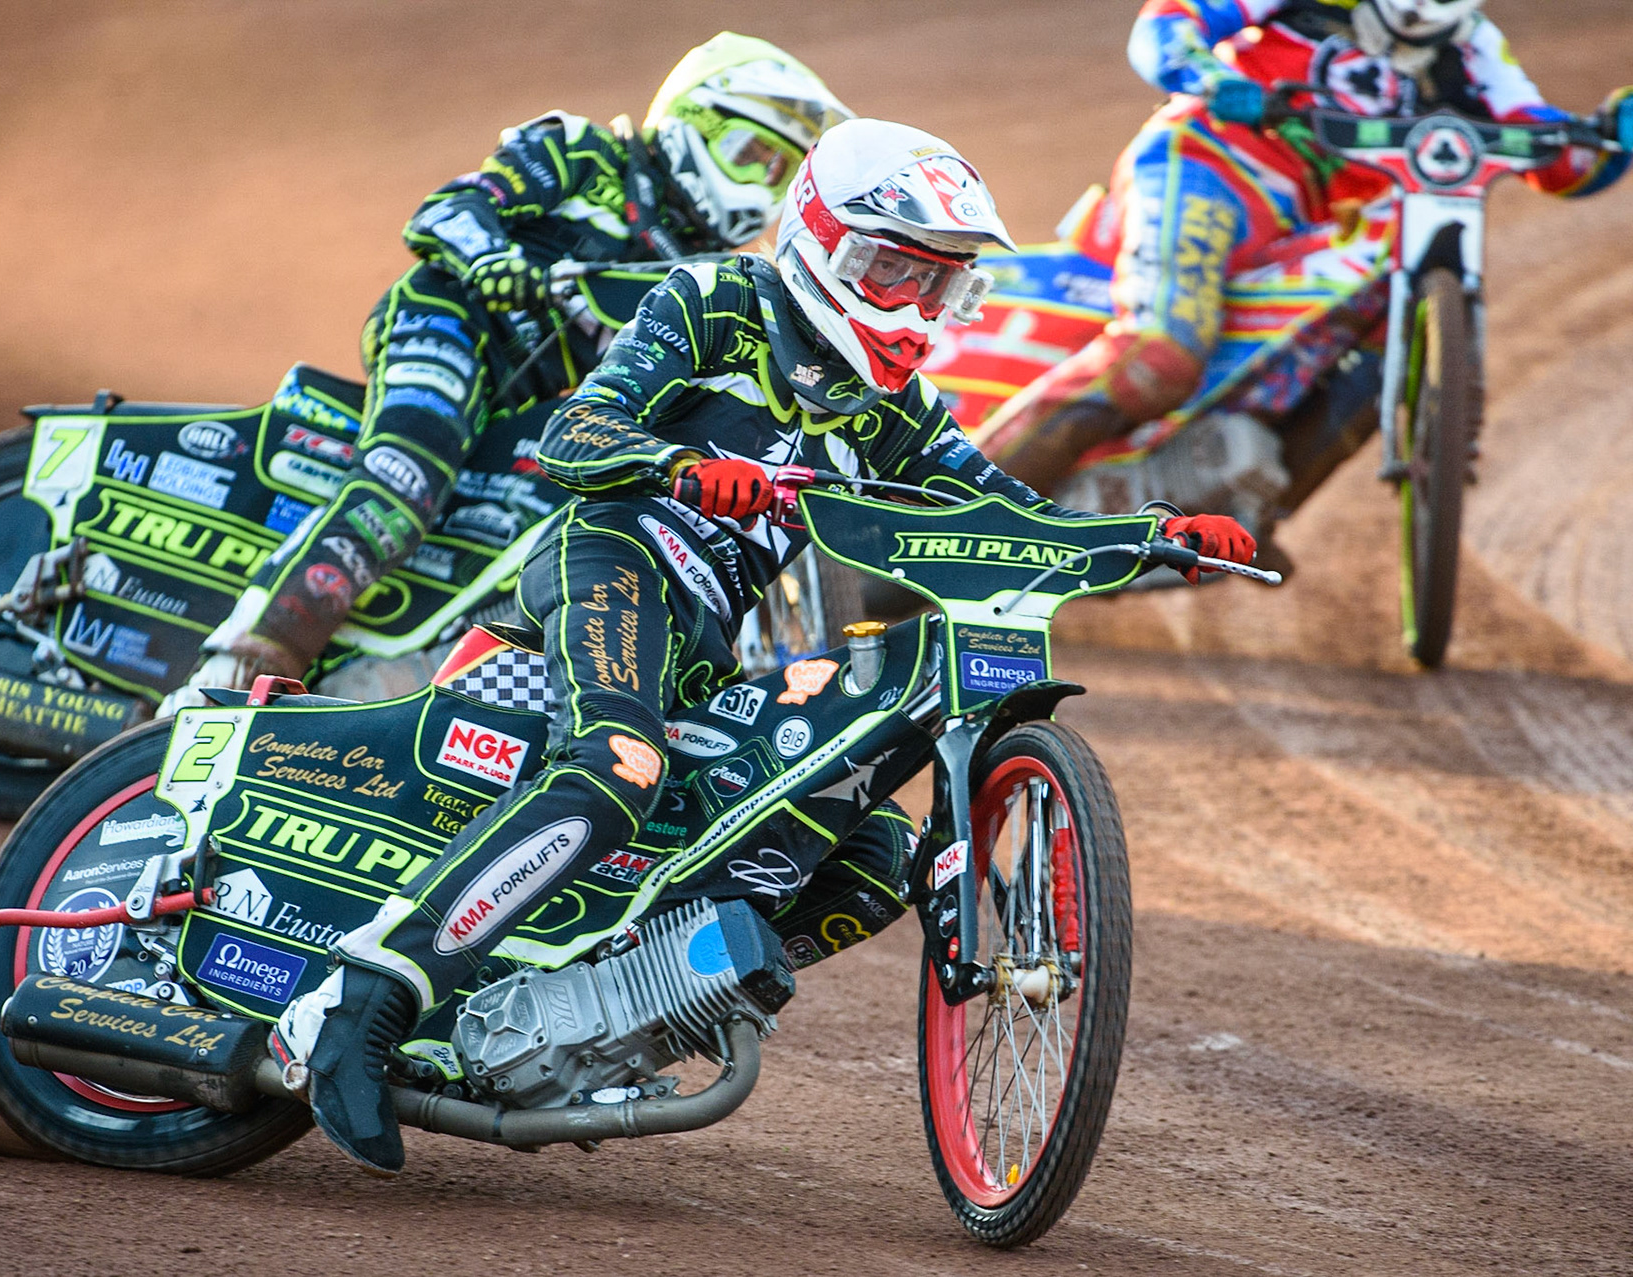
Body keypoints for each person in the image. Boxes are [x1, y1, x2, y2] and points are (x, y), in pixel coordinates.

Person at [266, 118, 1259, 1177]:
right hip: (615, 558)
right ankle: (360, 998)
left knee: (875, 856)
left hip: (704, 643)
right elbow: (575, 434)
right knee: (616, 767)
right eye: (895, 270)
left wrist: (1152, 534)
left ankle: (611, 1001)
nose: (915, 305)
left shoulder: (896, 411)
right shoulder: (716, 301)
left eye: (941, 283)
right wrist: (681, 467)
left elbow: (1011, 514)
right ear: (823, 243)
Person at [158, 33, 853, 714]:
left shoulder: (709, 273)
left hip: (530, 404)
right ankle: (238, 663)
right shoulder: (588, 154)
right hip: (448, 321)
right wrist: (492, 259)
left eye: (777, 172)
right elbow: (447, 209)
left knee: (578, 519)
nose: (758, 184)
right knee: (403, 480)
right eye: (748, 154)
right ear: (686, 120)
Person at [975, 0, 1633, 497]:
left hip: (1308, 231)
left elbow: (1552, 155)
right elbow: (1168, 23)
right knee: (1163, 352)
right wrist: (1210, 74)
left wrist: (1612, 136)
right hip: (1210, 165)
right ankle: (961, 507)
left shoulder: (1471, 45)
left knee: (1383, 334)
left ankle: (1245, 505)